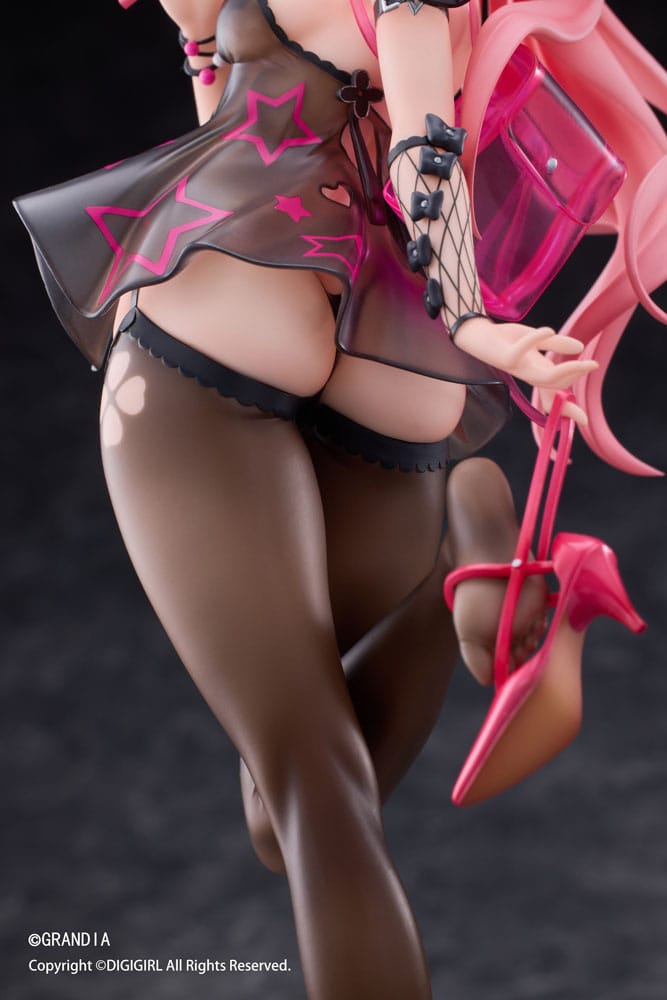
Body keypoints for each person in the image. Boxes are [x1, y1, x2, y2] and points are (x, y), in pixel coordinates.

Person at [12, 1, 666, 996]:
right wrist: (466, 330)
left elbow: (396, 152)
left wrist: (479, 326)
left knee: (313, 803)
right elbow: (391, 139)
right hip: (396, 369)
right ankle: (464, 564)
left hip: (231, 316)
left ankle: (464, 559)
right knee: (281, 815)